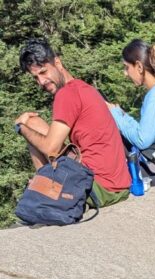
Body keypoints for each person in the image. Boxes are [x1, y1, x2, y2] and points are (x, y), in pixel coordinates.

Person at [16, 39, 131, 209]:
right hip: (119, 182)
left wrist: (21, 128)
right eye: (36, 77)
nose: (41, 82)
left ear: (58, 63)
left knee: (30, 125)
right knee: (34, 123)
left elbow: (51, 149)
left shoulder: (66, 94)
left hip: (101, 188)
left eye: (43, 72)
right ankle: (44, 186)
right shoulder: (83, 88)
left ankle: (44, 189)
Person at [108, 40, 155, 187]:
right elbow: (146, 131)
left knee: (110, 179)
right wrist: (122, 116)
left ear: (139, 67)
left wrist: (115, 114)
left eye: (126, 67)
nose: (125, 73)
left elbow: (142, 140)